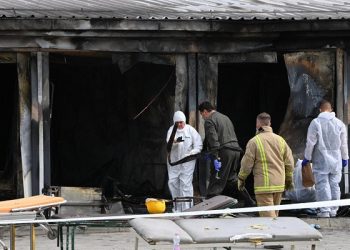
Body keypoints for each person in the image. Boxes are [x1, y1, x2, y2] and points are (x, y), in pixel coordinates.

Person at [238, 112, 294, 217]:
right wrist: (289, 180)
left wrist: (241, 179)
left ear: (257, 124)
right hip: (279, 185)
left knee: (268, 218)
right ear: (270, 123)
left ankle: (274, 233)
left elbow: (246, 164)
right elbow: (290, 163)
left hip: (264, 186)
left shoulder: (254, 142)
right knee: (274, 215)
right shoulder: (281, 140)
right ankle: (276, 233)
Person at [302, 100, 349, 218]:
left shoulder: (316, 123)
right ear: (331, 109)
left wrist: (307, 158)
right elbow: (344, 144)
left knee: (322, 185)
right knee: (334, 184)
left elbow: (310, 142)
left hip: (321, 159)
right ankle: (334, 210)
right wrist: (345, 158)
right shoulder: (340, 124)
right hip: (336, 160)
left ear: (320, 110)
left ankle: (325, 211)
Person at [198, 101, 242, 198]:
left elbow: (213, 141)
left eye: (201, 114)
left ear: (205, 111)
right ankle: (249, 201)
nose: (202, 117)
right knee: (232, 179)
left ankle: (210, 208)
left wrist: (216, 158)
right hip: (236, 151)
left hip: (224, 152)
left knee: (216, 180)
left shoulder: (209, 120)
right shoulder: (225, 118)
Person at [166, 111, 203, 212]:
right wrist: (175, 141)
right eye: (177, 122)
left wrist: (191, 153)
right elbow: (168, 143)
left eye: (181, 122)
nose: (179, 124)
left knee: (185, 184)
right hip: (174, 163)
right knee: (173, 183)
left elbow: (198, 145)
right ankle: (177, 209)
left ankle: (187, 209)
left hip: (187, 162)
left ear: (185, 121)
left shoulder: (190, 130)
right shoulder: (171, 130)